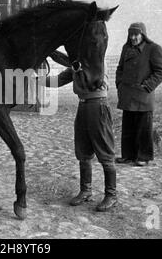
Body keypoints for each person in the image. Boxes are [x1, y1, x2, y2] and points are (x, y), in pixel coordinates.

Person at [39, 51, 117, 212]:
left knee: (105, 152)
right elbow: (57, 81)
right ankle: (86, 190)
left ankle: (111, 195)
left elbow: (91, 76)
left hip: (98, 105)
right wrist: (35, 80)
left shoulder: (96, 60)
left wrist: (59, 56)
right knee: (83, 151)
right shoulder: (76, 64)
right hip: (83, 106)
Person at [115, 22, 162, 167]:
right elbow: (120, 68)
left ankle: (143, 157)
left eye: (136, 34)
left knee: (143, 128)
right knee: (128, 127)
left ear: (143, 35)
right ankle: (128, 156)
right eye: (131, 34)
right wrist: (119, 84)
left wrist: (147, 85)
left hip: (143, 96)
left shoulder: (154, 49)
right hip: (127, 95)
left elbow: (161, 71)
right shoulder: (126, 48)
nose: (133, 38)